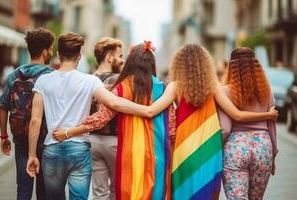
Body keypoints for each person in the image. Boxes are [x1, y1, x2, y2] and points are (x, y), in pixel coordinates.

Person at [53, 43, 277, 200]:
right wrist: (267, 115)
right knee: (206, 193)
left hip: (182, 148)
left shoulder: (174, 87)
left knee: (180, 192)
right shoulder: (215, 88)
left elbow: (154, 112)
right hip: (210, 150)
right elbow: (235, 115)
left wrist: (121, 104)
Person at [25, 33, 157, 200]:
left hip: (52, 149)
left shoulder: (43, 81)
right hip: (79, 149)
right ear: (79, 56)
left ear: (58, 54)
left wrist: (31, 155)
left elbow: (35, 120)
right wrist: (147, 110)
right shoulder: (89, 81)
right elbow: (115, 103)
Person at [53, 41, 174, 200]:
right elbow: (172, 126)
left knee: (127, 193)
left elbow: (100, 119)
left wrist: (68, 132)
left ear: (131, 62)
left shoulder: (121, 87)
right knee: (154, 193)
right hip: (157, 151)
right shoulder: (163, 88)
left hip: (129, 151)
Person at [0, 28, 54, 200]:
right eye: (51, 49)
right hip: (45, 140)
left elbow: (3, 106)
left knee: (23, 187)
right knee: (44, 190)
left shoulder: (15, 75)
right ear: (45, 52)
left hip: (21, 138)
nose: (51, 52)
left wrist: (4, 136)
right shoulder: (52, 76)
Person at [218, 47, 277, 200]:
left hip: (235, 148)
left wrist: (217, 151)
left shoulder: (224, 92)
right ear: (256, 66)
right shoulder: (267, 92)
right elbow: (272, 125)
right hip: (263, 149)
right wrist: (273, 156)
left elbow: (225, 129)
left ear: (231, 67)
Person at [90, 37, 124, 200]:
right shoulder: (118, 80)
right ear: (109, 57)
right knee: (117, 189)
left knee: (99, 192)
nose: (122, 60)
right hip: (114, 141)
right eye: (120, 56)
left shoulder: (88, 79)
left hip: (92, 140)